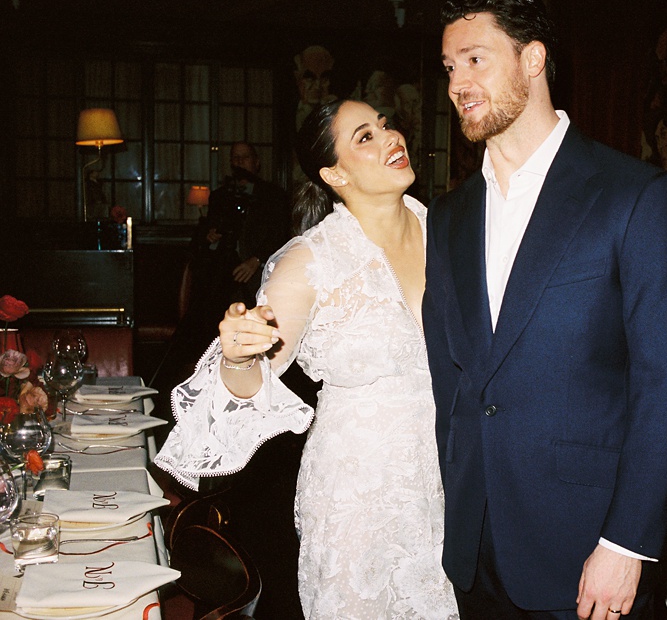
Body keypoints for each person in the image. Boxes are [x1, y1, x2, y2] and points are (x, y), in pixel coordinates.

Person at [424, 0, 667, 619]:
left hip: (589, 552)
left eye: (476, 59)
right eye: (449, 67)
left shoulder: (638, 197)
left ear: (533, 59)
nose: (457, 84)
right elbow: (452, 378)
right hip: (478, 552)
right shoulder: (448, 218)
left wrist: (626, 542)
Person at [156, 100, 458, 619]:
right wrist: (237, 357)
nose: (390, 137)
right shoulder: (309, 261)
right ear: (333, 172)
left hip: (452, 477)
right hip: (359, 490)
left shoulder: (448, 232)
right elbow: (250, 380)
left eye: (385, 125)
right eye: (364, 136)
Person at [189, 142, 289, 333]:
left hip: (258, 277)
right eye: (235, 158)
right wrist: (210, 235)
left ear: (256, 162)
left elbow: (280, 234)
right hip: (223, 277)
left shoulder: (273, 195)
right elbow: (206, 233)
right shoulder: (219, 196)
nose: (240, 162)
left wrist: (257, 260)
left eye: (245, 157)